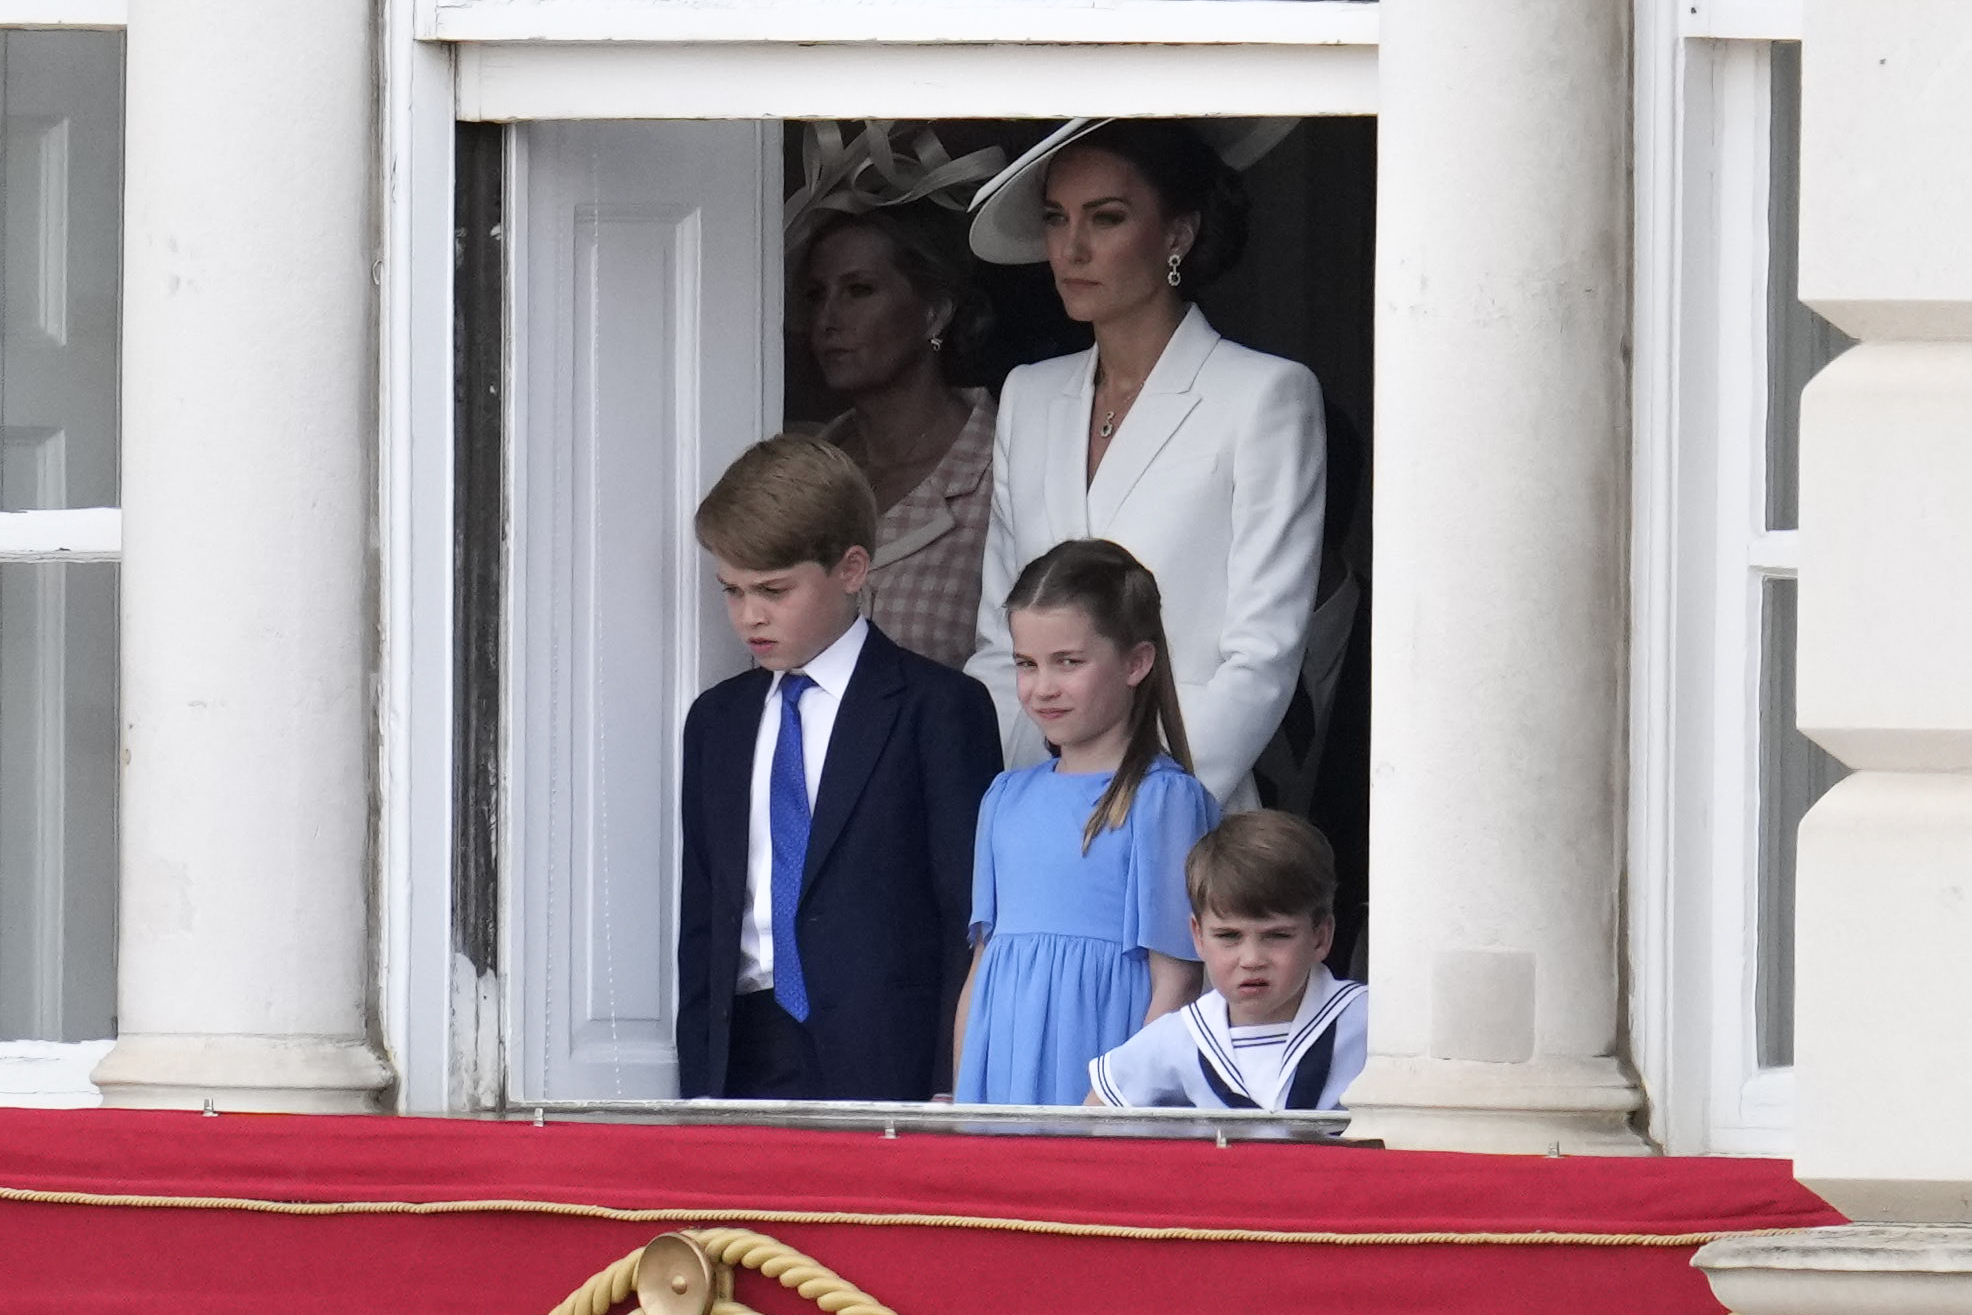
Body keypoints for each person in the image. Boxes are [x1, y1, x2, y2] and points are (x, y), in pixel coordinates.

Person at [964, 118, 1327, 811]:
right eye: (1055, 218)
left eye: (1106, 218)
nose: (1072, 247)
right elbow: (996, 642)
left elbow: (1262, 657)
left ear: (1177, 234)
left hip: (1187, 807)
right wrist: (1015, 798)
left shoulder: (1262, 395)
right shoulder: (1029, 395)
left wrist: (1141, 800)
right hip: (1037, 810)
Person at [677, 434, 1002, 1101]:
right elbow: (706, 918)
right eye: (731, 591)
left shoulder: (937, 708)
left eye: (773, 589)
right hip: (744, 1053)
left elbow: (964, 912)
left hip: (889, 1053)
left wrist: (952, 1077)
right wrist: (697, 1082)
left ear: (852, 568)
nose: (749, 616)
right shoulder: (717, 722)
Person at [954, 539, 1218, 1106]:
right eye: (1026, 663)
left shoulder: (1162, 798)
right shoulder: (1004, 797)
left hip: (1104, 1079)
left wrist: (1120, 1105)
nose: (1042, 686)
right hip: (1002, 1077)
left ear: (1136, 663)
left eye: (1067, 662)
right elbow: (981, 974)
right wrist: (963, 1098)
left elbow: (1177, 981)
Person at [800, 206, 997, 670]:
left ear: (934, 314)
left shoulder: (1003, 465)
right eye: (816, 295)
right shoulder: (801, 477)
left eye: (858, 291)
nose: (828, 318)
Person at [1086, 809, 1367, 1111]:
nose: (1252, 959)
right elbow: (1088, 1123)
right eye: (1229, 936)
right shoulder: (1181, 1036)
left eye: (1277, 936)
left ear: (1321, 936)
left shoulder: (1371, 1024)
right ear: (1198, 936)